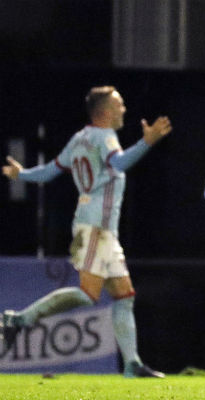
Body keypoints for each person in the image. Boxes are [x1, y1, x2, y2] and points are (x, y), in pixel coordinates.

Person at [1, 86, 171, 378]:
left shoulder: (79, 138)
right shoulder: (104, 137)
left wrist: (22, 174)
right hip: (94, 228)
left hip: (101, 230)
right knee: (87, 294)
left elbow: (50, 172)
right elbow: (118, 162)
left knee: (124, 296)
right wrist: (147, 142)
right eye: (119, 104)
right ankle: (19, 320)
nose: (124, 109)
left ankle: (132, 365)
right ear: (105, 112)